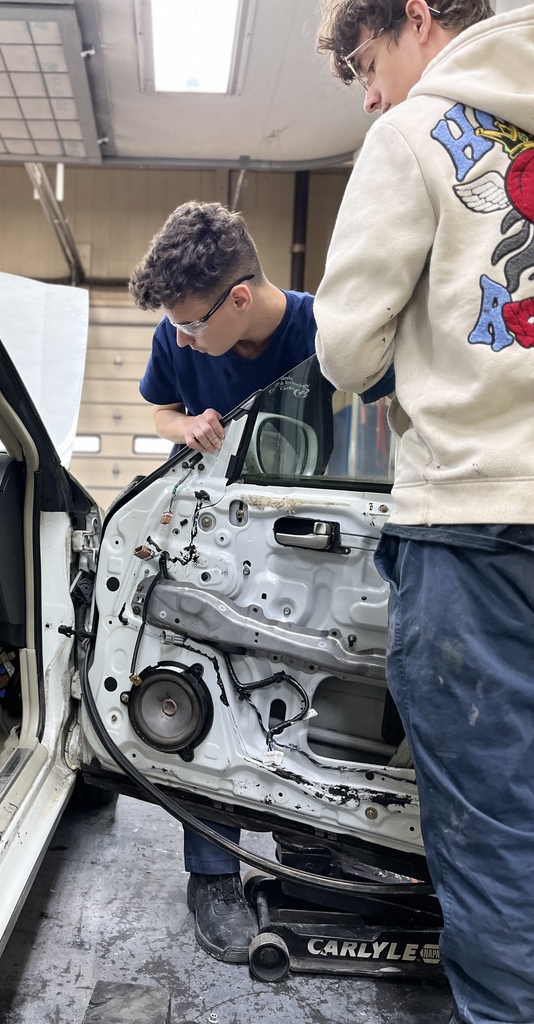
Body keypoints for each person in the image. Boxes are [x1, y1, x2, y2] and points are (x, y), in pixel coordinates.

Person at [314, 3, 534, 1023]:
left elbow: (347, 348)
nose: (368, 91)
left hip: (476, 528)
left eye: (367, 62)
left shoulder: (413, 135)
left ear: (415, 17)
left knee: (499, 839)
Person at [128, 200, 316, 962]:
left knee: (303, 689)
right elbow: (159, 411)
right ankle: (211, 870)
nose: (180, 336)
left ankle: (311, 849)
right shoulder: (180, 332)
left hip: (309, 547)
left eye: (191, 323)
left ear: (239, 298)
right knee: (206, 686)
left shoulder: (326, 331)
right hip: (212, 538)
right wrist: (187, 426)